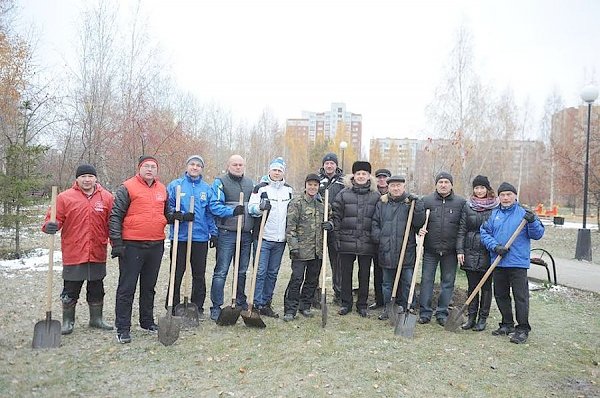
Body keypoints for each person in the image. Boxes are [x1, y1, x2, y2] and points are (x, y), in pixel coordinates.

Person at [42, 164, 114, 335]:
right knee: (71, 289)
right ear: (77, 179)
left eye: (90, 176)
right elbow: (52, 219)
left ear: (96, 178)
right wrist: (50, 226)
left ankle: (96, 319)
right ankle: (68, 321)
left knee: (97, 287)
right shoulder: (64, 198)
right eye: (83, 177)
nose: (87, 180)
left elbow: (112, 224)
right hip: (74, 251)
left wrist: (116, 243)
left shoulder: (107, 198)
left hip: (97, 251)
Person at [109, 155, 171, 344]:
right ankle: (123, 328)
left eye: (153, 166)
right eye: (146, 166)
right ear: (139, 168)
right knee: (127, 288)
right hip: (132, 245)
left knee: (149, 286)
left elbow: (165, 214)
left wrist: (176, 216)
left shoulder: (162, 189)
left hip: (156, 244)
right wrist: (117, 243)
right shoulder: (127, 187)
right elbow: (115, 215)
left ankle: (147, 321)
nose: (150, 169)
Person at [480, 182, 544, 344]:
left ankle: (522, 328)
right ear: (499, 197)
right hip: (499, 262)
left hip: (517, 263)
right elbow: (484, 232)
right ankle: (507, 324)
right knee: (501, 295)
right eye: (502, 195)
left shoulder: (524, 213)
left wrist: (533, 221)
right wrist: (495, 246)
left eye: (509, 194)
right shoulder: (493, 214)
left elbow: (538, 234)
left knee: (520, 297)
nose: (506, 197)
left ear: (515, 196)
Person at [165, 155, 217, 319]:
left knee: (199, 274)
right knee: (177, 272)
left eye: (198, 165)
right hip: (180, 237)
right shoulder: (176, 185)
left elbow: (209, 214)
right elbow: (168, 208)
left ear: (202, 169)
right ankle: (172, 305)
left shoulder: (206, 189)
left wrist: (213, 232)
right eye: (192, 164)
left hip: (199, 237)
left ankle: (197, 306)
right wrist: (177, 215)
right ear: (187, 166)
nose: (195, 167)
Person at [331, 161, 380, 317]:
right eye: (358, 173)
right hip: (346, 240)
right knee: (346, 274)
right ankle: (346, 303)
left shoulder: (376, 196)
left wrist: (375, 237)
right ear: (353, 176)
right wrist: (336, 237)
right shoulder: (344, 194)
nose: (360, 176)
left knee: (364, 274)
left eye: (364, 174)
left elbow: (378, 219)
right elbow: (336, 217)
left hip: (367, 242)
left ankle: (362, 305)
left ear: (368, 177)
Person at [371, 175, 424, 320]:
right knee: (387, 283)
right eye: (393, 186)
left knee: (407, 282)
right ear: (388, 187)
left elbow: (419, 222)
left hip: (406, 250)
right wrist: (380, 239)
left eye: (398, 186)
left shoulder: (410, 203)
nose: (395, 188)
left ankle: (408, 307)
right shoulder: (382, 203)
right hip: (386, 250)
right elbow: (375, 222)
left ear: (403, 187)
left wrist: (417, 205)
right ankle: (389, 308)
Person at [208, 154, 253, 321]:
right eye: (235, 164)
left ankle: (240, 301)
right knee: (221, 271)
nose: (238, 167)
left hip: (245, 235)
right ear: (228, 165)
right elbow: (214, 206)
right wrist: (232, 211)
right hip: (227, 233)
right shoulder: (220, 182)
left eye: (241, 164)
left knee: (242, 271)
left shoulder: (250, 184)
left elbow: (254, 206)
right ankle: (216, 306)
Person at [418, 171, 466, 326]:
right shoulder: (427, 201)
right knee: (426, 280)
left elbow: (462, 228)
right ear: (436, 184)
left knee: (447, 282)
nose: (443, 185)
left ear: (451, 184)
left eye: (446, 182)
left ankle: (442, 312)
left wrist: (459, 249)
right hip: (431, 250)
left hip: (450, 251)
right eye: (440, 182)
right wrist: (419, 229)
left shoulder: (460, 203)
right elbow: (418, 222)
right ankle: (425, 312)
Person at [248, 157, 293, 318]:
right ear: (269, 171)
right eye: (274, 170)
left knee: (273, 272)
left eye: (280, 170)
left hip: (280, 239)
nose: (277, 172)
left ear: (283, 172)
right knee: (260, 272)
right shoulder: (260, 188)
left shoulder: (288, 190)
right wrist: (260, 208)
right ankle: (256, 302)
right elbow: (251, 208)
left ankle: (266, 303)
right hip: (263, 237)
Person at [456, 175, 499, 331]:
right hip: (470, 249)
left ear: (488, 189)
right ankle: (471, 317)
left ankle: (483, 318)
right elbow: (461, 230)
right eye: (476, 188)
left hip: (488, 251)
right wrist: (460, 250)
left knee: (486, 287)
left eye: (482, 188)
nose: (479, 191)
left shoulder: (496, 207)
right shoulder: (468, 206)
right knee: (472, 286)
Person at [282, 173, 326, 321]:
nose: (312, 187)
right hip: (300, 250)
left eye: (315, 185)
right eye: (310, 184)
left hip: (317, 250)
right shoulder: (297, 203)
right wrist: (293, 247)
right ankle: (290, 309)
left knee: (312, 280)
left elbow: (331, 218)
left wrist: (330, 224)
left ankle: (305, 306)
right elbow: (290, 227)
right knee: (296, 279)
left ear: (318, 187)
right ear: (305, 185)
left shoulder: (323, 204)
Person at [317, 153, 345, 304]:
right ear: (323, 165)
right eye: (326, 163)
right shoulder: (317, 180)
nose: (329, 166)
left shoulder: (343, 181)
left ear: (336, 165)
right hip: (318, 226)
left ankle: (339, 293)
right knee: (316, 260)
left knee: (337, 262)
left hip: (337, 226)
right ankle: (315, 293)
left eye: (332, 163)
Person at [370, 168, 392, 310]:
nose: (382, 180)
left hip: (392, 240)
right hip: (377, 240)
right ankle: (379, 300)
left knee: (390, 272)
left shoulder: (395, 195)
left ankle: (390, 301)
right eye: (379, 177)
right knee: (378, 271)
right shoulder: (373, 195)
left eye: (384, 177)